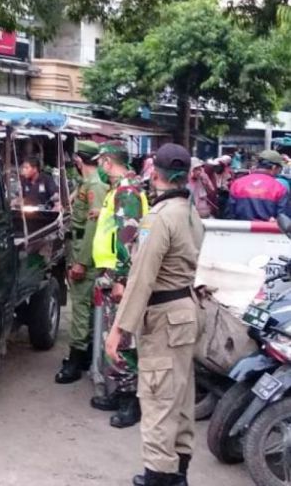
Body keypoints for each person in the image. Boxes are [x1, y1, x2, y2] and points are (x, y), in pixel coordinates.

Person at [106, 143, 203, 486]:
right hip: (185, 312)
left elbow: (141, 278)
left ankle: (160, 477)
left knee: (159, 399)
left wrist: (119, 329)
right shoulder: (190, 212)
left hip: (164, 316)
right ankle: (178, 472)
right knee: (180, 397)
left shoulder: (160, 217)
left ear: (155, 174)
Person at [90, 141, 148, 428]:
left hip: (119, 274)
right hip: (111, 272)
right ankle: (120, 390)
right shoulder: (120, 189)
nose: (99, 167)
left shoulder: (127, 192)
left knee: (123, 339)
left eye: (100, 162)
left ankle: (130, 400)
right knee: (113, 337)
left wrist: (121, 280)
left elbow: (128, 237)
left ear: (108, 162)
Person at [56, 141, 110, 384]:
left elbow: (93, 227)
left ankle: (75, 361)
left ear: (79, 160)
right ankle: (86, 355)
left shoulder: (94, 186)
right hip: (78, 246)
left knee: (80, 306)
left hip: (84, 252)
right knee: (85, 307)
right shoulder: (86, 184)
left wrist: (81, 262)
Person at [226, 149, 289, 221]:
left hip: (240, 227)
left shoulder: (237, 184)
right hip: (267, 228)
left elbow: (229, 214)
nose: (279, 172)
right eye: (279, 169)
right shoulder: (279, 188)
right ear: (274, 167)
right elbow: (284, 219)